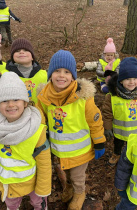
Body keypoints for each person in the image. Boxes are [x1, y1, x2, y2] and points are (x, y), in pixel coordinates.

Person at [36, 50, 106, 210]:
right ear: (50, 74)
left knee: (77, 176)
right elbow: (40, 119)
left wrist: (99, 141)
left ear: (73, 76)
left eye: (67, 72)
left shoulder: (83, 98)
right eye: (57, 71)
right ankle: (68, 187)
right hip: (59, 148)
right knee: (65, 171)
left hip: (80, 150)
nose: (61, 75)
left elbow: (95, 121)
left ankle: (79, 192)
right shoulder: (45, 97)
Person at [0, 72, 51, 210]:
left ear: (25, 102)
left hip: (32, 181)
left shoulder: (36, 129)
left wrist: (43, 188)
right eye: (4, 100)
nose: (11, 105)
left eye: (16, 99)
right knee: (11, 204)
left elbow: (44, 162)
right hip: (8, 182)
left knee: (38, 203)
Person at [102, 57, 137, 166]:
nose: (132, 82)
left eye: (134, 79)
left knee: (134, 145)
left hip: (136, 131)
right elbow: (107, 113)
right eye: (128, 79)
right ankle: (116, 154)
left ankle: (132, 156)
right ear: (121, 80)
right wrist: (107, 127)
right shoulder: (112, 97)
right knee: (118, 144)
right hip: (119, 132)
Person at [6, 38, 47, 106]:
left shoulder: (45, 75)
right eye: (17, 50)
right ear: (12, 57)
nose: (21, 52)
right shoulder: (5, 75)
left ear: (32, 57)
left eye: (26, 50)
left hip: (40, 114)